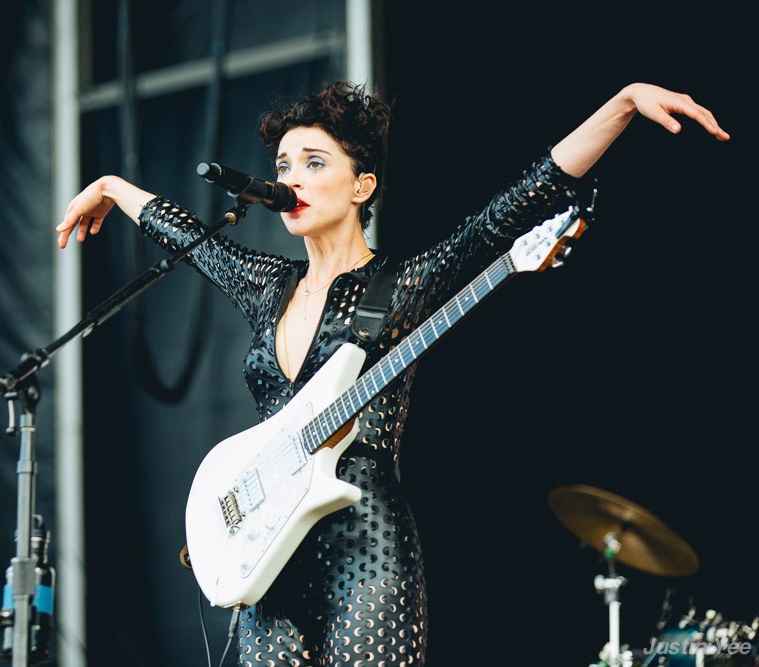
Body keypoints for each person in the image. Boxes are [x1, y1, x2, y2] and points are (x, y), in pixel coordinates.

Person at [55, 81, 728, 666]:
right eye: (284, 163)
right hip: (268, 552)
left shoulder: (400, 285)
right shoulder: (266, 284)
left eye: (314, 163)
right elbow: (189, 238)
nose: (291, 177)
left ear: (362, 185)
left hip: (364, 544)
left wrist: (621, 106)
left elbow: (512, 209)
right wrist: (113, 187)